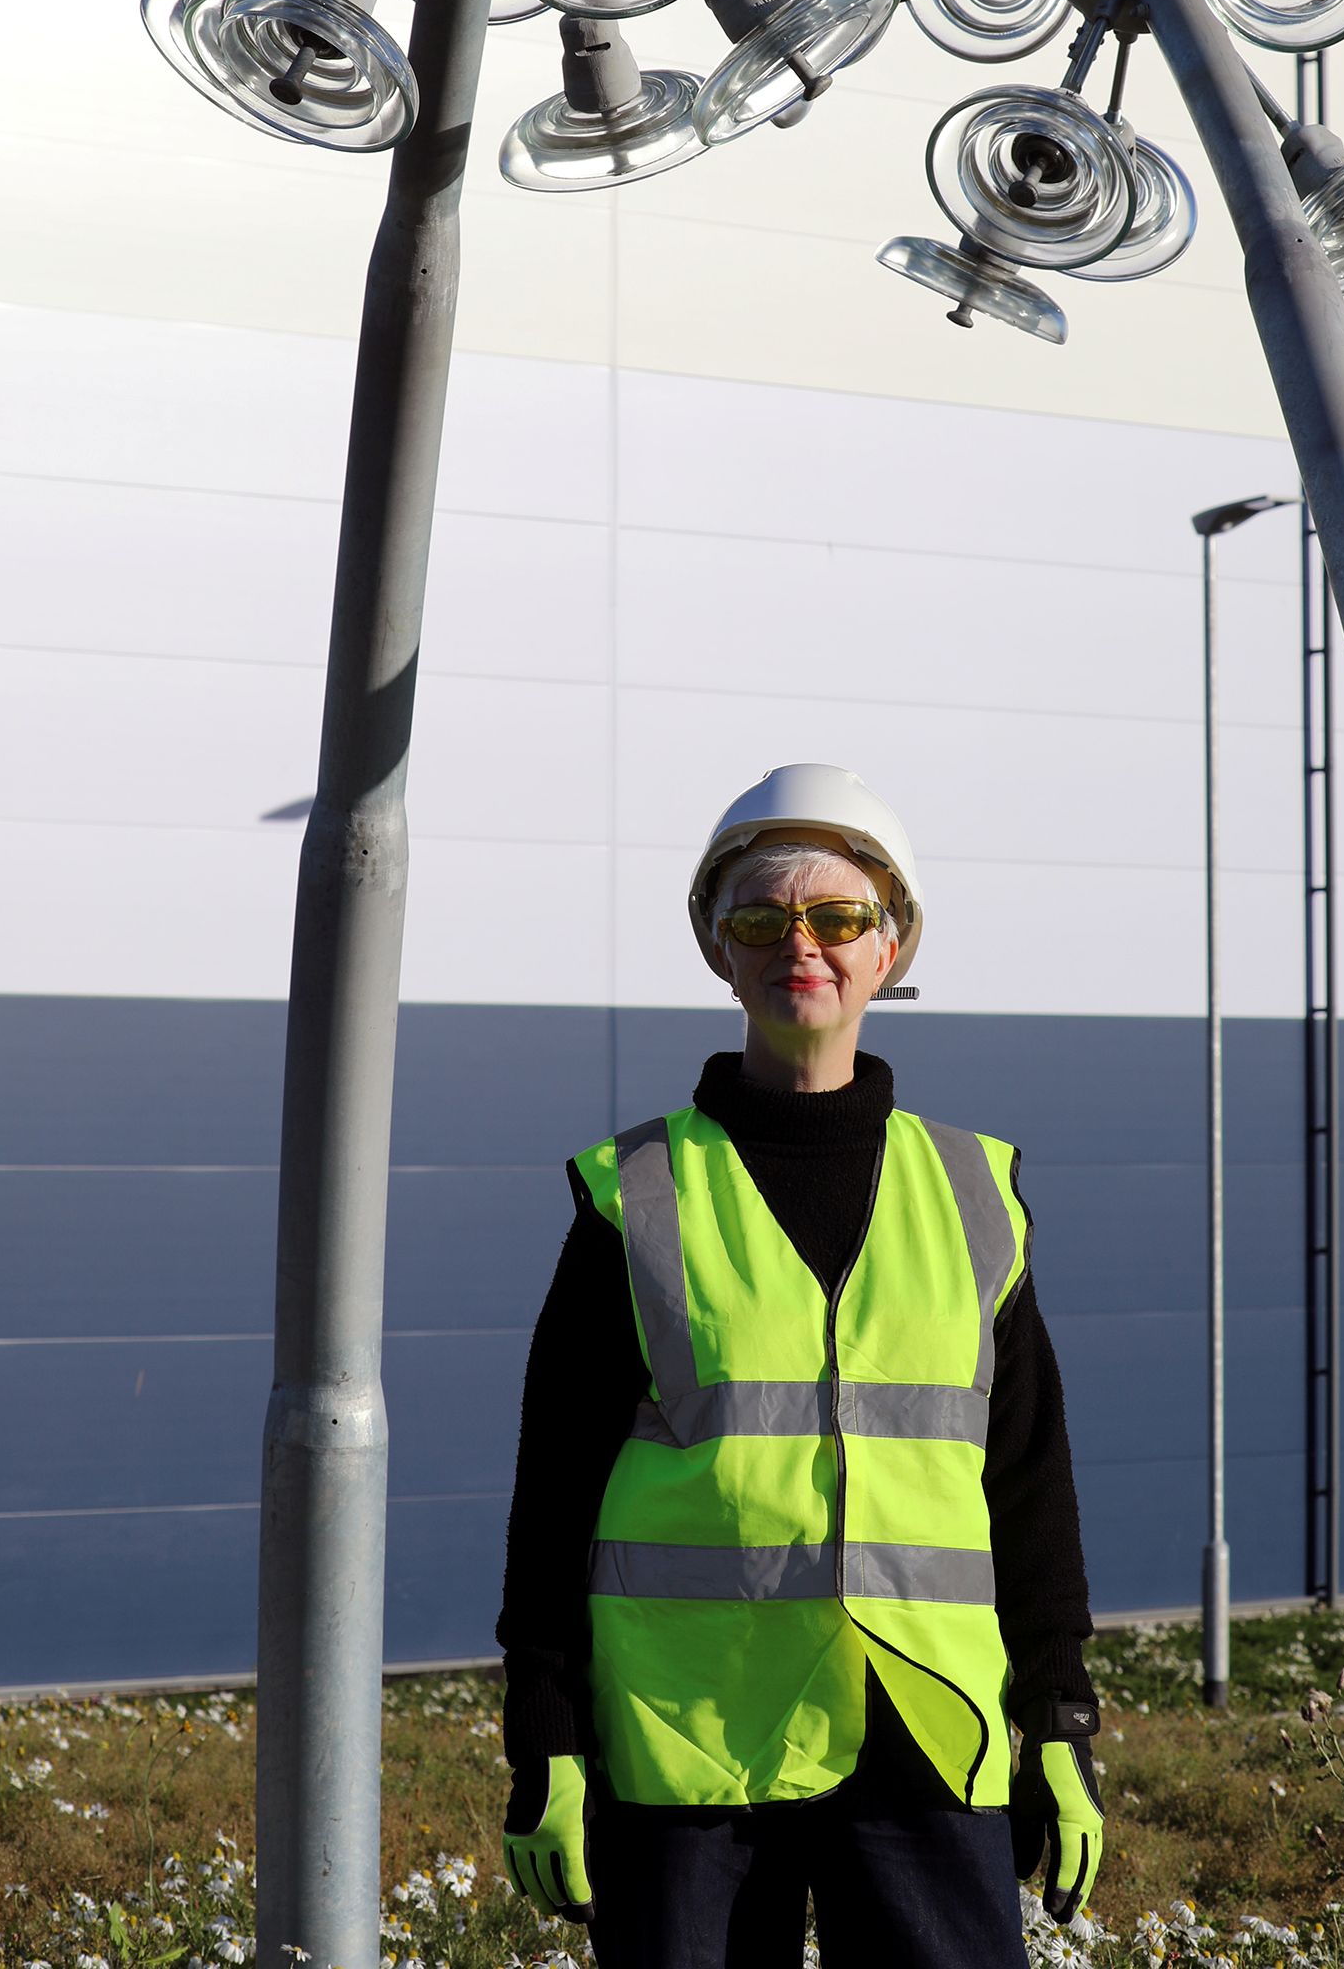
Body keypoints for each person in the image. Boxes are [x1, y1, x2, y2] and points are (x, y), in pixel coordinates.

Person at [497, 764, 1104, 1968]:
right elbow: (554, 1486)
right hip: (690, 1741)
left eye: (838, 919)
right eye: (761, 921)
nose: (802, 946)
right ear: (720, 954)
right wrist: (546, 1733)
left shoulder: (976, 1193)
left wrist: (1062, 1723)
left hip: (925, 1727)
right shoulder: (637, 1195)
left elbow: (1027, 1486)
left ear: (893, 945)